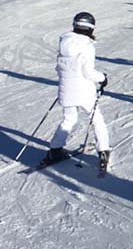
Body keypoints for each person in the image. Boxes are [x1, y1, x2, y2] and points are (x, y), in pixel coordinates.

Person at [44, 12, 110, 172]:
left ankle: (55, 150)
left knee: (69, 119)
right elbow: (88, 72)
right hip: (84, 92)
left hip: (66, 90)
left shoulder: (64, 43)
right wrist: (102, 78)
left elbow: (59, 68)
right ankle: (103, 151)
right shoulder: (86, 46)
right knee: (96, 120)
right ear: (91, 27)